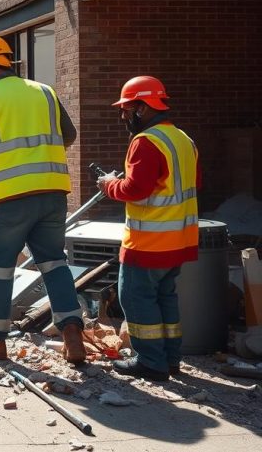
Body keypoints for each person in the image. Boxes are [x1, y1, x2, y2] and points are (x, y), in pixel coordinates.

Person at [0, 35, 86, 364]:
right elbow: (68, 135)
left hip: (10, 198)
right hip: (53, 192)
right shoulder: (46, 92)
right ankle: (72, 332)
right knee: (54, 263)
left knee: (0, 269)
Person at [97, 76, 200, 381]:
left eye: (127, 109)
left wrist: (108, 185)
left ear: (142, 108)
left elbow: (135, 189)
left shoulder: (145, 142)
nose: (123, 115)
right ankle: (170, 360)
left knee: (136, 300)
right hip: (179, 241)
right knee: (165, 299)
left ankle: (150, 362)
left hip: (148, 243)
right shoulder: (183, 139)